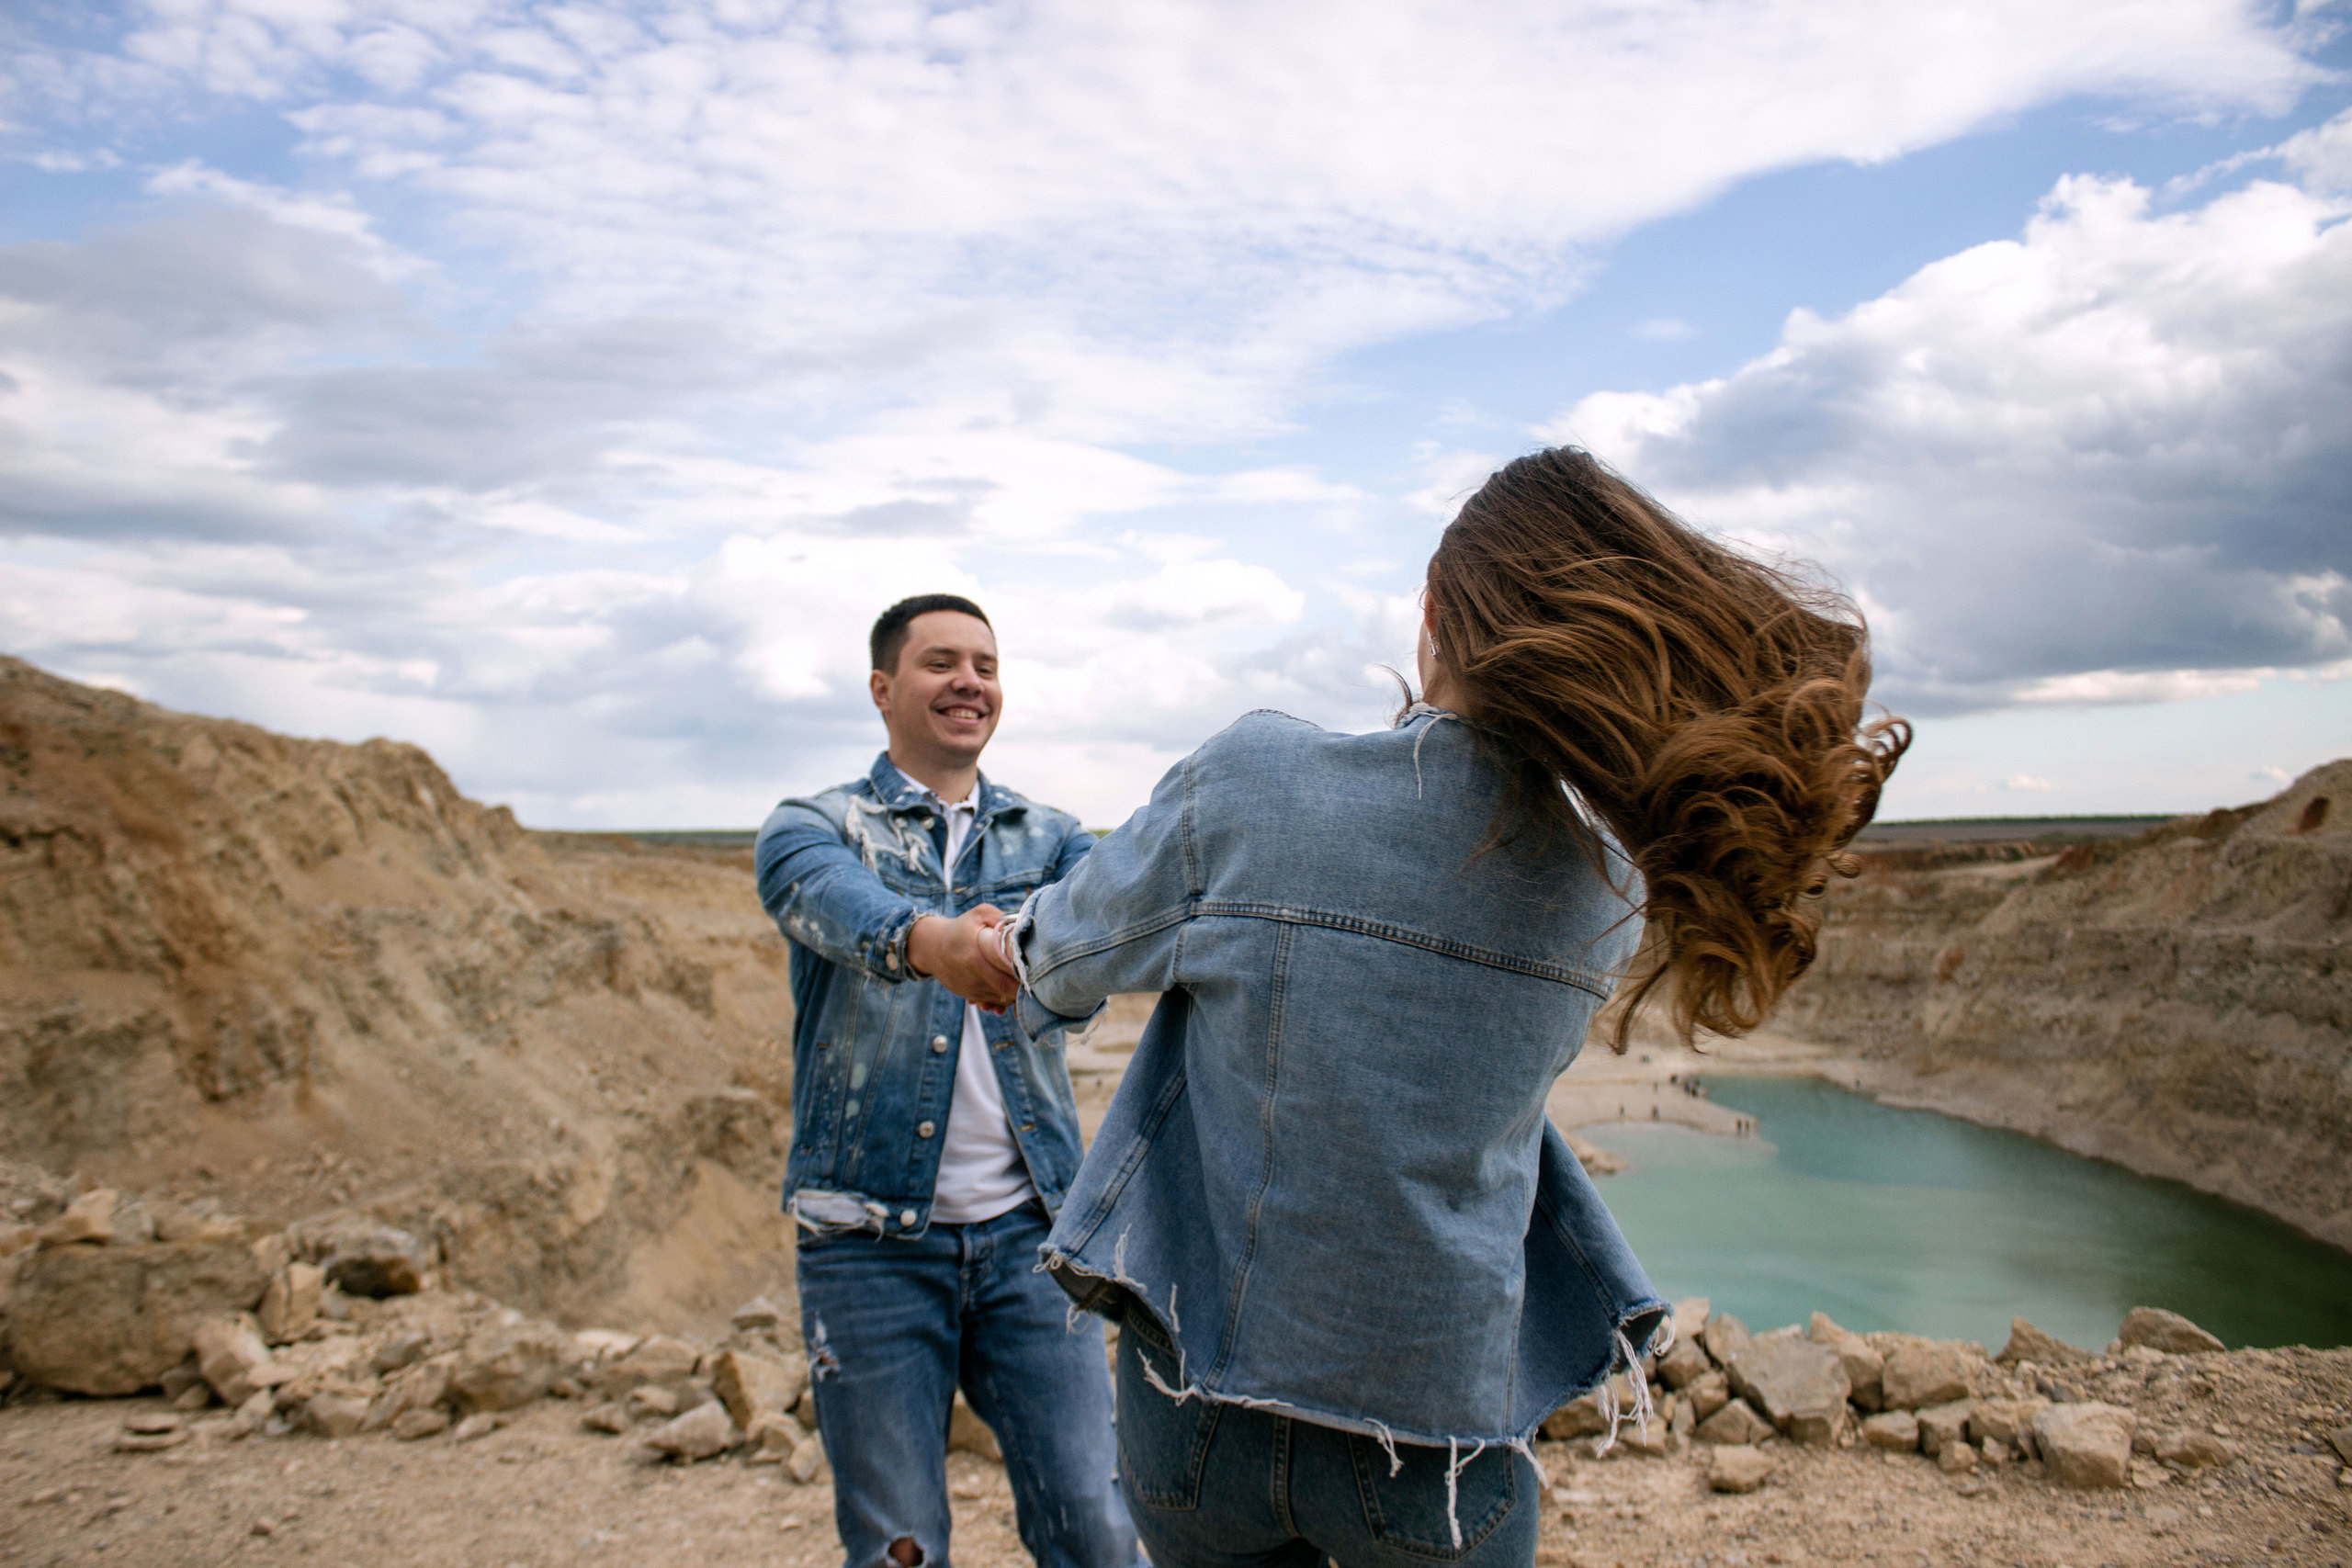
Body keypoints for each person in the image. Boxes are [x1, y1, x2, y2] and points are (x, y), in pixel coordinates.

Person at [962, 449, 1907, 1568]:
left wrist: (995, 944)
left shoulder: (1253, 783)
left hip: (1197, 1411)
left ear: (1434, 614)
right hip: (1437, 1447)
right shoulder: (1600, 891)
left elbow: (1061, 965)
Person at [754, 593, 1140, 1568]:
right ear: (884, 689)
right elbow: (823, 897)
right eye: (939, 663)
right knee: (898, 1548)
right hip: (867, 1246)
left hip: (1029, 1237)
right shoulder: (817, 826)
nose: (968, 681)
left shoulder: (1053, 838)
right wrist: (930, 942)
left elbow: (1096, 936)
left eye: (985, 663)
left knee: (1097, 1530)